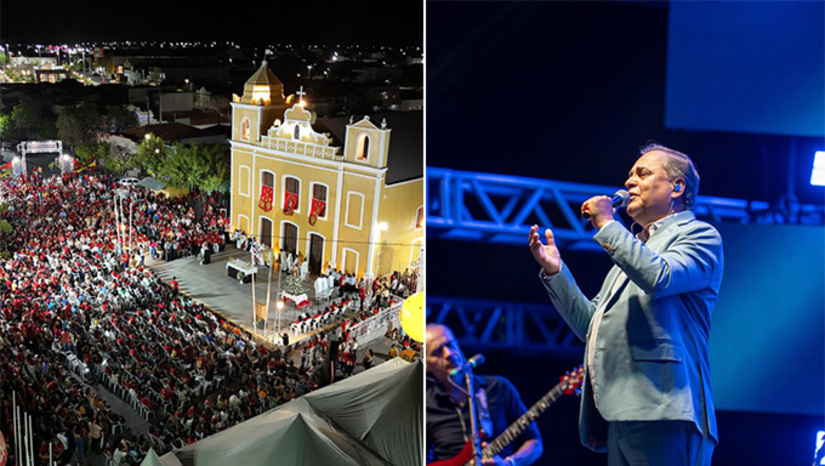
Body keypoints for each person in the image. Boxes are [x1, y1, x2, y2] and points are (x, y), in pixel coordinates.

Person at [529, 143, 723, 465]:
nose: (629, 182)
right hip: (621, 410)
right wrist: (556, 271)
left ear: (677, 187)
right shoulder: (632, 251)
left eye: (643, 174)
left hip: (665, 408)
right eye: (630, 175)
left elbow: (660, 277)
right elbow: (590, 325)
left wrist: (608, 224)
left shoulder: (700, 235)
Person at [425, 323, 543, 466]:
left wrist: (510, 463)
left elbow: (534, 442)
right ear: (426, 365)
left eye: (450, 344)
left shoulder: (498, 388)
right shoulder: (425, 407)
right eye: (437, 351)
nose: (448, 353)